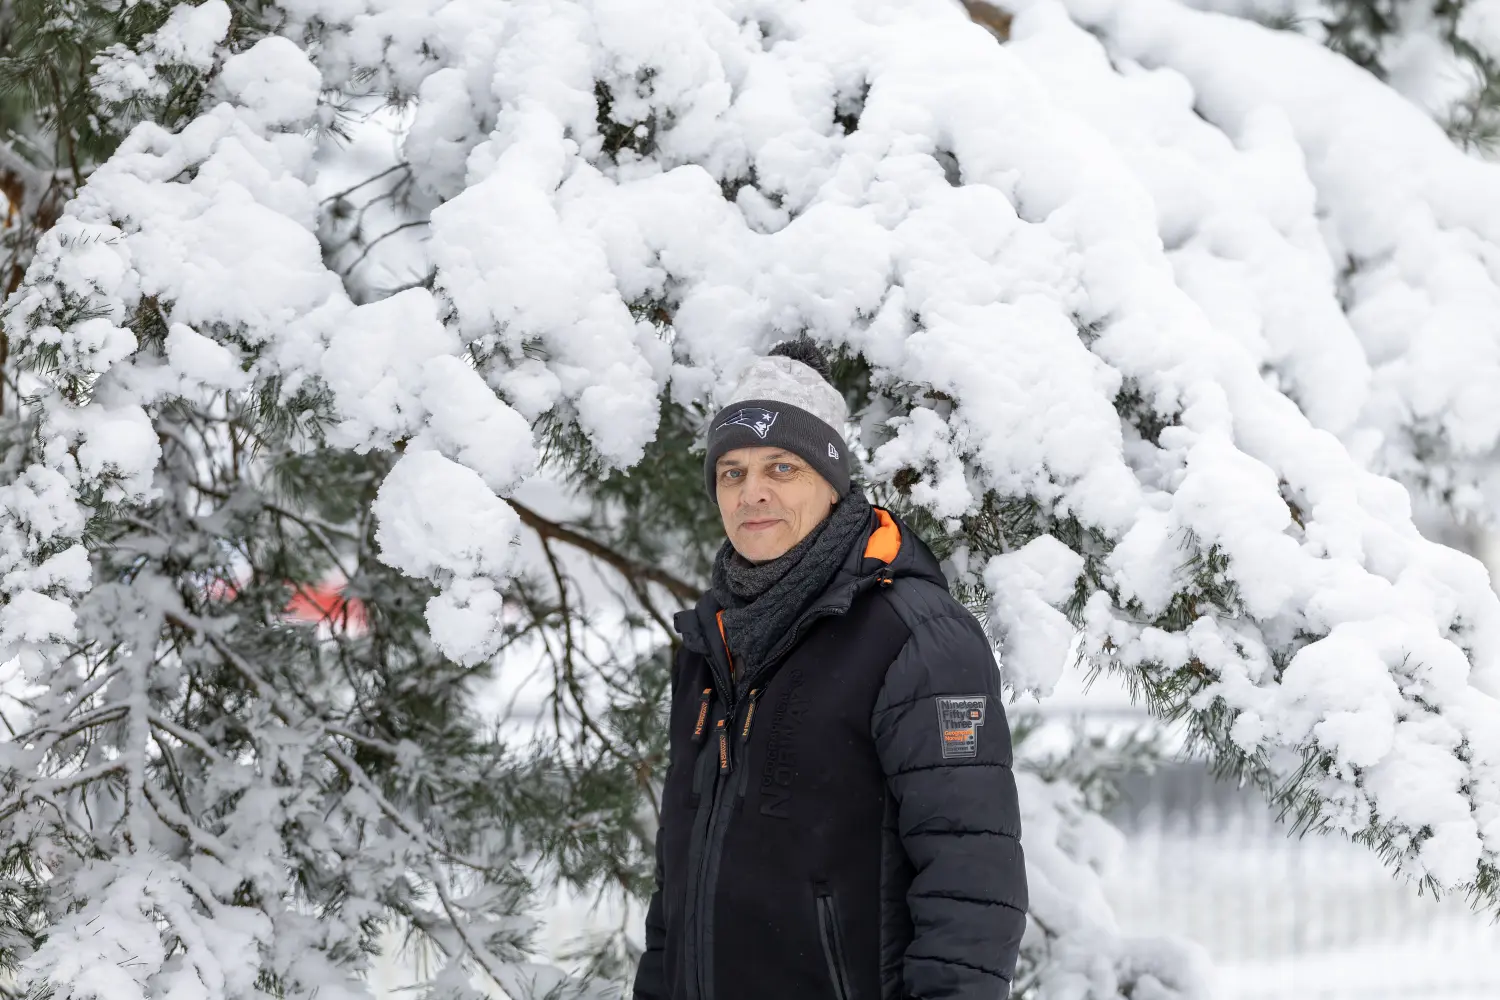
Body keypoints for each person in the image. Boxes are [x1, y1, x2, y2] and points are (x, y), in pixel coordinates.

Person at [632, 337, 1028, 1000]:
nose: (752, 492)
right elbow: (677, 888)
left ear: (831, 479)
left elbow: (971, 880)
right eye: (732, 473)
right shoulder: (710, 646)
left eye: (780, 468)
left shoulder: (915, 636)